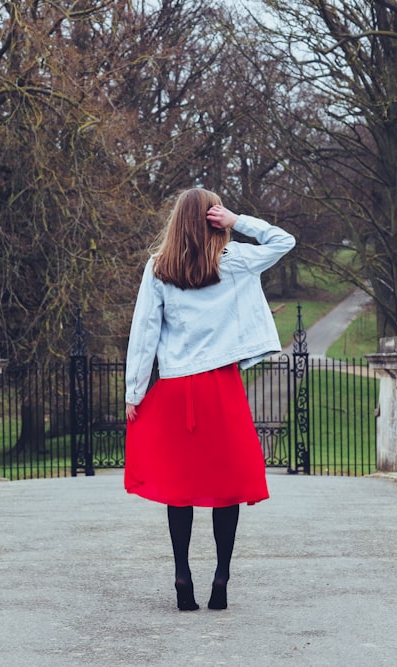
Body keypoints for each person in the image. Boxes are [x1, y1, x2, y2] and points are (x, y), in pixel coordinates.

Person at [123, 187, 296, 611]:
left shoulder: (158, 267)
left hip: (176, 387)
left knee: (177, 490)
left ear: (177, 221)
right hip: (221, 386)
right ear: (212, 218)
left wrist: (134, 391)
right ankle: (221, 575)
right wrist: (237, 221)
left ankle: (182, 574)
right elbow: (283, 241)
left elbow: (144, 330)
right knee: (227, 487)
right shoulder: (234, 260)